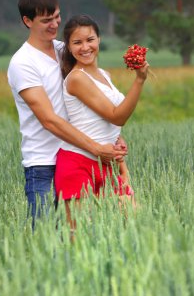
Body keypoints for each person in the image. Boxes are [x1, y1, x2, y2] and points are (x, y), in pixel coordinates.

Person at [7, 0, 126, 228]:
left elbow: (92, 96)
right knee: (46, 240)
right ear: (27, 21)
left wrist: (114, 136)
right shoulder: (22, 63)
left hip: (78, 158)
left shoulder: (66, 49)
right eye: (46, 20)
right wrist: (96, 148)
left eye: (57, 16)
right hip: (44, 164)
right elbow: (49, 120)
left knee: (85, 239)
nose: (54, 24)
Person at [54, 14, 149, 232]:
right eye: (77, 42)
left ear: (99, 40)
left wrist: (122, 162)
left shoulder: (104, 74)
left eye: (90, 40)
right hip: (78, 164)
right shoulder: (77, 78)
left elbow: (111, 125)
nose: (85, 47)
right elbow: (117, 116)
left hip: (108, 163)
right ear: (68, 47)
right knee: (80, 242)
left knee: (135, 230)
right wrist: (140, 79)